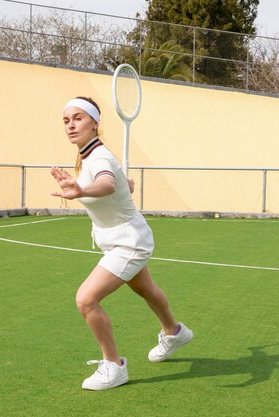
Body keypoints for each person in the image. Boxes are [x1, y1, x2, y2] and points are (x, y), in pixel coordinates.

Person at [50, 97, 193, 391]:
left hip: (128, 243)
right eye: (66, 120)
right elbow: (119, 186)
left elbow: (107, 185)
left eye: (78, 118)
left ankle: (114, 366)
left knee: (86, 300)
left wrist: (81, 190)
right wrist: (123, 186)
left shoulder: (99, 158)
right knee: (146, 289)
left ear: (94, 123)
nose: (71, 125)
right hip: (122, 238)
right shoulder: (93, 157)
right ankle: (174, 332)